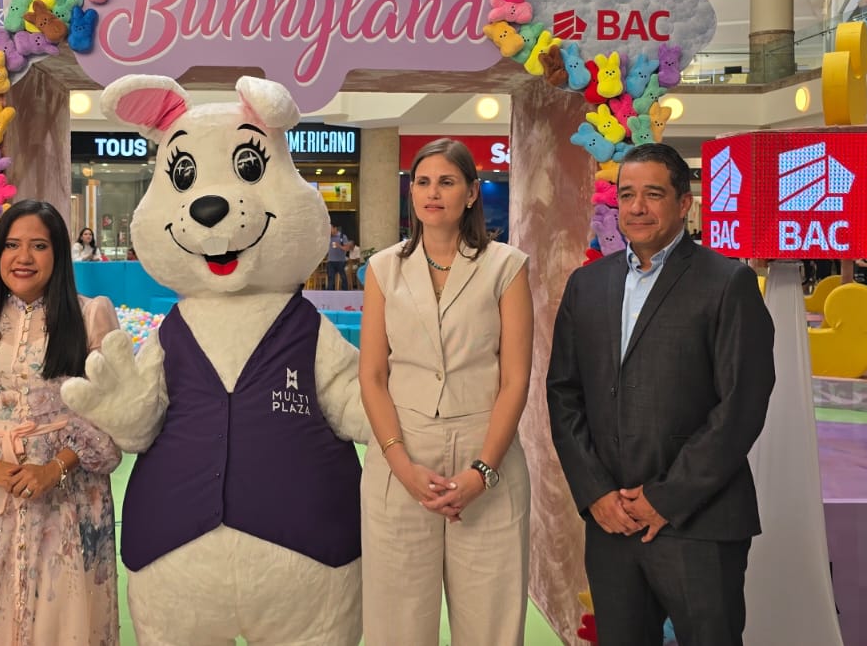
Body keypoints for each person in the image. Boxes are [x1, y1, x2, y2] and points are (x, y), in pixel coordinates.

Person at [547, 142, 776, 646]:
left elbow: (741, 405)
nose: (637, 207)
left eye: (653, 194)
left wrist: (665, 498)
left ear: (684, 203)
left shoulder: (728, 282)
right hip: (610, 524)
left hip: (699, 523)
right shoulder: (587, 284)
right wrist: (596, 493)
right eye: (627, 195)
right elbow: (564, 393)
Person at [359, 137, 533, 644]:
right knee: (396, 626)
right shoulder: (384, 268)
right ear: (411, 192)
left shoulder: (506, 266)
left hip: (486, 452)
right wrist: (401, 465)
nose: (432, 193)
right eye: (423, 182)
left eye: (447, 182)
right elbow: (372, 376)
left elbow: (515, 378)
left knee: (491, 626)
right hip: (402, 454)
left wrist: (483, 472)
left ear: (472, 193)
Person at [0, 200, 123, 643]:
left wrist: (54, 468)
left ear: (59, 254)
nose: (24, 257)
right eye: (12, 245)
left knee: (61, 617)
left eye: (39, 245)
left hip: (67, 496)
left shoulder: (91, 315)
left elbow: (110, 413)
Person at [326, 224, 351, 290]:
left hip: (340, 261)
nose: (329, 230)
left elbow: (347, 248)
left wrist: (339, 246)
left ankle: (345, 291)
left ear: (335, 228)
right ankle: (330, 292)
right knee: (330, 277)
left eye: (330, 228)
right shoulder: (328, 237)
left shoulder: (342, 237)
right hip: (330, 261)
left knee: (343, 277)